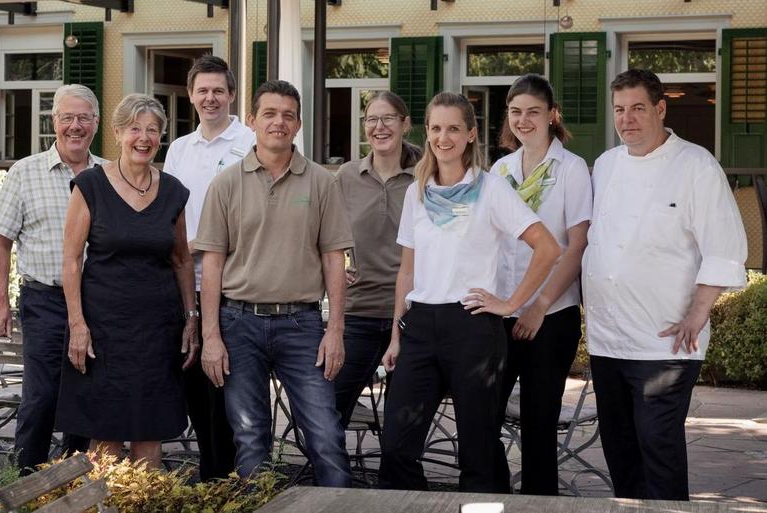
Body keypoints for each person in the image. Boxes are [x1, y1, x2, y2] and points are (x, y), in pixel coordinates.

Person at [379, 91, 561, 493]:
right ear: (427, 132)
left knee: (478, 451)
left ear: (470, 134)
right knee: (395, 446)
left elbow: (548, 248)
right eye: (436, 128)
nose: (443, 138)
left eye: (453, 129)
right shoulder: (417, 191)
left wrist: (511, 304)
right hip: (420, 326)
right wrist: (396, 334)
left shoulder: (491, 188)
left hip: (472, 327)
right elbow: (407, 270)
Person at [583, 69, 747, 500]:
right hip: (607, 339)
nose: (627, 119)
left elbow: (724, 246)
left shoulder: (696, 165)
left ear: (660, 109)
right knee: (619, 447)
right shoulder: (606, 165)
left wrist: (698, 313)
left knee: (658, 444)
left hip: (665, 340)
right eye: (619, 109)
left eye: (638, 108)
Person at [195, 80, 353, 487]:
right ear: (252, 120)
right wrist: (210, 336)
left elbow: (334, 259)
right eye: (269, 114)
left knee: (325, 435)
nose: (278, 122)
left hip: (302, 326)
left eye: (287, 115)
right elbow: (211, 265)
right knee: (250, 439)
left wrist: (335, 330)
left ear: (298, 124)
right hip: (238, 324)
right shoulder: (226, 183)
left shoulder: (321, 182)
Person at [55, 94, 198, 468]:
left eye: (152, 130)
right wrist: (77, 325)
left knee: (150, 431)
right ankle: (103, 500)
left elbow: (182, 260)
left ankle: (143, 498)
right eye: (135, 128)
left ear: (161, 137)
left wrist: (191, 318)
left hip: (158, 332)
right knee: (106, 434)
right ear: (117, 133)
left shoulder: (173, 191)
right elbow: (71, 261)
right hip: (104, 331)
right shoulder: (90, 185)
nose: (143, 138)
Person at [0, 84, 98, 474]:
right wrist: (0, 304)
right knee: (42, 396)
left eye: (83, 117)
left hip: (95, 303)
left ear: (96, 123)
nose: (75, 126)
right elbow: (1, 243)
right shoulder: (25, 171)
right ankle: (26, 480)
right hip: (44, 300)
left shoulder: (108, 174)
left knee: (85, 394)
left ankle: (74, 481)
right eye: (67, 117)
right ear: (54, 122)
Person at [491, 74, 592, 495]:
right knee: (482, 418)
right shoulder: (500, 170)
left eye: (533, 111)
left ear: (552, 115)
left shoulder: (572, 169)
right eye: (516, 112)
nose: (523, 120)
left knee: (538, 428)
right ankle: (491, 496)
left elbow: (577, 244)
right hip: (501, 311)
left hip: (551, 316)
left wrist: (539, 304)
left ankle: (538, 504)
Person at [163, 55, 255, 481]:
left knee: (230, 389)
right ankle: (211, 476)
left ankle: (235, 480)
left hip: (235, 285)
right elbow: (167, 213)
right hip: (186, 285)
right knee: (196, 387)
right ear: (190, 95)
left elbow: (256, 215)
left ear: (232, 94)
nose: (210, 98)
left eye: (219, 90)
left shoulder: (251, 143)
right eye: (203, 90)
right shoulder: (179, 149)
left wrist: (201, 244)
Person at [334, 91, 421, 430]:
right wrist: (336, 270)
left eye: (388, 119)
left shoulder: (426, 176)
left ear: (405, 124)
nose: (379, 126)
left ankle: (395, 466)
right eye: (371, 119)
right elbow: (323, 235)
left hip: (413, 314)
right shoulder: (346, 176)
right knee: (330, 409)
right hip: (359, 310)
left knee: (404, 421)